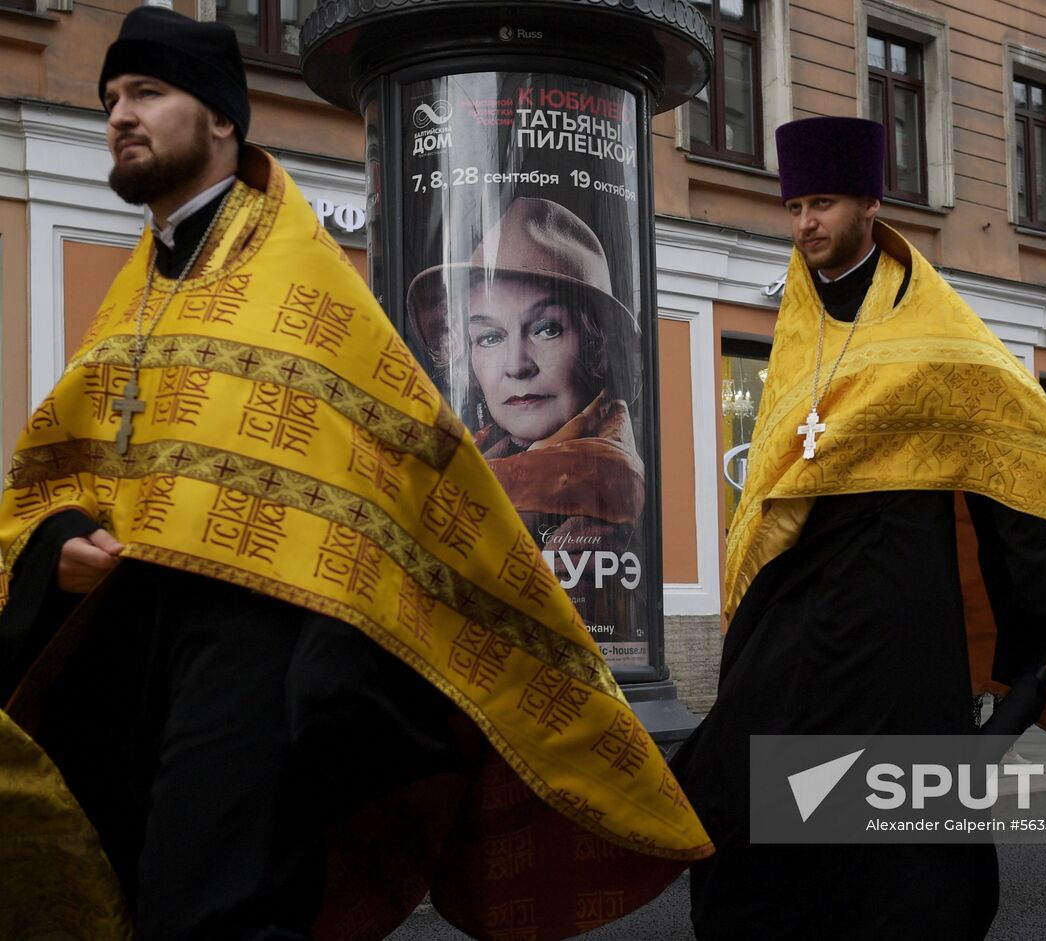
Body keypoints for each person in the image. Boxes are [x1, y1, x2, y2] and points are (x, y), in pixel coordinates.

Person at [0, 9, 709, 941]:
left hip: (250, 656)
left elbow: (396, 468)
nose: (120, 116)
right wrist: (56, 543)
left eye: (147, 93)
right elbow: (69, 464)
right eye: (110, 101)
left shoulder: (298, 278)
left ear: (221, 116)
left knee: (211, 903)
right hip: (127, 656)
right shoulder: (140, 290)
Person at [669, 115, 1046, 940]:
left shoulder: (940, 335)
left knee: (900, 862)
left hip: (896, 641)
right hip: (789, 634)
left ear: (870, 205)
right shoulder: (796, 332)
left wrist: (1032, 671)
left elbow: (1021, 482)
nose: (806, 222)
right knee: (745, 825)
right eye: (796, 206)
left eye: (823, 203)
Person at [405, 198, 645, 640]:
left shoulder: (603, 498)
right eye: (489, 337)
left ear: (596, 346)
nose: (516, 365)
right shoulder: (481, 459)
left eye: (546, 329)